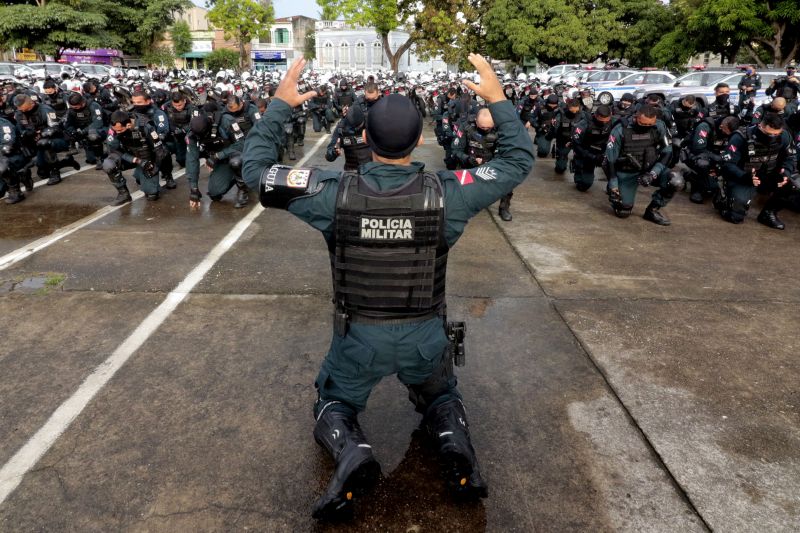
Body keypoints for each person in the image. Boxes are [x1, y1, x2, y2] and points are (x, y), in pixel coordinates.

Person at [242, 54, 534, 521]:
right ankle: (451, 438)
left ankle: (352, 449)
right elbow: (518, 160)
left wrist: (279, 105)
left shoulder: (329, 190)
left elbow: (255, 170)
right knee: (440, 394)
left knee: (334, 401)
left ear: (363, 137)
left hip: (358, 338)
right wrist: (497, 98)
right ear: (420, 140)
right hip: (424, 335)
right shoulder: (449, 191)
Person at [604, 104, 680, 225]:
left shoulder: (659, 126)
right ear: (636, 117)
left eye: (650, 125)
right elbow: (610, 159)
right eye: (643, 124)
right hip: (626, 171)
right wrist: (613, 185)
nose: (646, 127)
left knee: (676, 181)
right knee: (623, 211)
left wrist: (652, 174)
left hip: (649, 167)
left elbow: (667, 153)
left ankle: (652, 210)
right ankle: (614, 190)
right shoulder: (620, 129)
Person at [719, 112, 797, 229]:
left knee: (791, 188)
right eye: (769, 134)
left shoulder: (785, 135)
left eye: (776, 134)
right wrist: (744, 176)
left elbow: (791, 157)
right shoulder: (740, 137)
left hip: (769, 174)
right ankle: (724, 198)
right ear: (760, 126)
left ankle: (768, 213)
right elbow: (728, 163)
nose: (773, 138)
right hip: (745, 176)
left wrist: (786, 172)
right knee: (735, 217)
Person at [451, 107, 513, 220]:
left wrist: (493, 163)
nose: (485, 129)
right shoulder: (466, 127)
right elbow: (455, 150)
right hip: (470, 164)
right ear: (476, 121)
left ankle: (504, 208)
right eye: (482, 127)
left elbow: (508, 154)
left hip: (493, 163)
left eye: (488, 127)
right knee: (456, 179)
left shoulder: (502, 129)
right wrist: (468, 159)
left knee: (509, 176)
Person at [103, 110, 170, 205]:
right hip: (129, 157)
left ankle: (144, 175)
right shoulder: (114, 127)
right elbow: (114, 149)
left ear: (128, 125)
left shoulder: (146, 127)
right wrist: (136, 160)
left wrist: (155, 167)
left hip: (147, 158)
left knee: (152, 195)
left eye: (120, 130)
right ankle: (124, 194)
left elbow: (159, 151)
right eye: (115, 130)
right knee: (108, 164)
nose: (117, 132)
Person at [684, 115, 739, 204]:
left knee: (712, 187)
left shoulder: (733, 132)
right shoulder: (705, 126)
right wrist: (715, 157)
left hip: (713, 154)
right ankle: (696, 187)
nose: (726, 135)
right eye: (726, 132)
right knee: (703, 164)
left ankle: (710, 182)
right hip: (695, 154)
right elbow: (698, 148)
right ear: (722, 126)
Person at [571, 104, 614, 192]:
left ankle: (612, 188)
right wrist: (592, 157)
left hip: (603, 151)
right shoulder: (583, 124)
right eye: (601, 121)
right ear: (595, 115)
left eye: (606, 121)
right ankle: (578, 169)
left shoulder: (614, 122)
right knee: (585, 184)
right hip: (586, 152)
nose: (604, 123)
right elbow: (576, 145)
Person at [64, 93, 105, 170]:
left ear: (82, 103)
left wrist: (83, 132)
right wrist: (73, 132)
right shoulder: (72, 109)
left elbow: (98, 123)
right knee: (91, 160)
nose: (73, 108)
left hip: (100, 129)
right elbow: (67, 124)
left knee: (93, 136)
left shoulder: (94, 106)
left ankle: (100, 159)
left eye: (75, 107)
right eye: (71, 107)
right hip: (83, 132)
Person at [325, 104, 371, 171]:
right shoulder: (341, 128)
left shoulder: (371, 122)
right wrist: (334, 153)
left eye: (358, 126)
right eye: (353, 127)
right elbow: (328, 157)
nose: (356, 129)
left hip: (372, 169)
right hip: (351, 171)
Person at [1, 115, 32, 204]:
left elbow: (7, 146)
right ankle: (21, 175)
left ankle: (16, 192)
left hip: (12, 156)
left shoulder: (4, 124)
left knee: (2, 166)